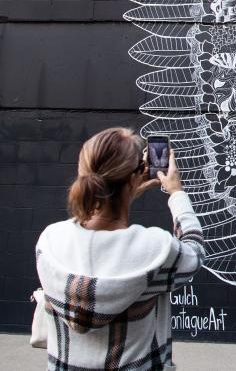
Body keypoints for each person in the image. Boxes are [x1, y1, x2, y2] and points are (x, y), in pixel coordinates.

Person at [35, 127, 205, 371]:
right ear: (136, 175)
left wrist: (126, 191)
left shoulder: (50, 240)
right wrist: (176, 192)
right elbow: (195, 252)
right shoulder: (156, 250)